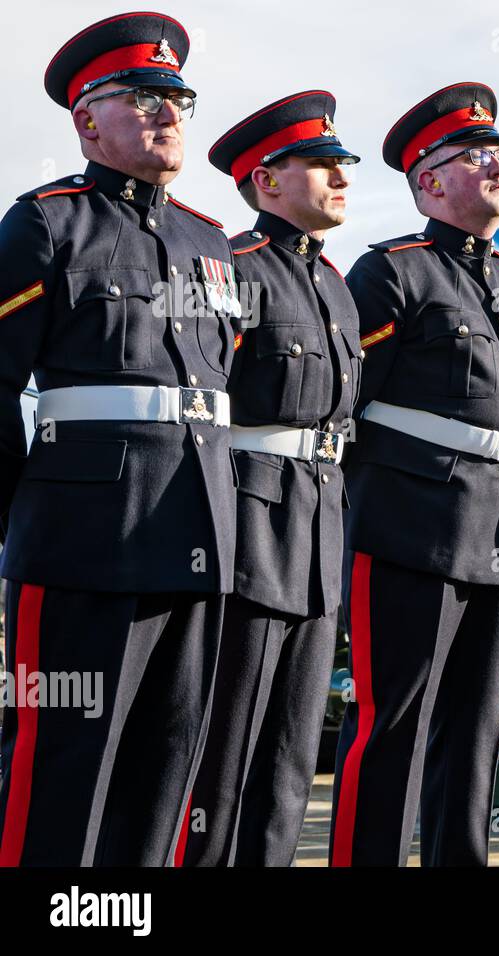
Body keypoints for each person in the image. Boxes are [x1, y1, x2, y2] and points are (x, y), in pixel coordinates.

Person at [0, 12, 238, 865]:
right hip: (79, 546)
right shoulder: (46, 225)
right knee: (63, 774)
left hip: (199, 537)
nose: (167, 111)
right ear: (86, 120)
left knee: (163, 773)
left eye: (178, 95)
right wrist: (20, 527)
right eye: (142, 96)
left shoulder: (210, 242)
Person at [329, 83, 499, 866]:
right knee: (394, 724)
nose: (495, 165)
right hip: (408, 528)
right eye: (474, 156)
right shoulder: (390, 273)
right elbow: (346, 409)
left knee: (479, 727)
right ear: (428, 182)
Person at [179, 91, 362, 866]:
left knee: (291, 758)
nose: (340, 176)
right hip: (247, 528)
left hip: (318, 531)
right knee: (224, 751)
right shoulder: (229, 269)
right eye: (321, 165)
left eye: (340, 163)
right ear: (265, 179)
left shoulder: (339, 286)